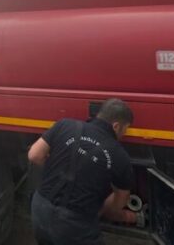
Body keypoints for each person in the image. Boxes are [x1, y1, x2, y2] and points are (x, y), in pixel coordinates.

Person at [28, 98, 140, 245]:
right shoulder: (119, 155)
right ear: (116, 126)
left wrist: (57, 170)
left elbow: (34, 155)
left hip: (40, 208)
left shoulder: (64, 124)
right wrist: (105, 210)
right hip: (75, 224)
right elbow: (119, 201)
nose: (124, 134)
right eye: (125, 129)